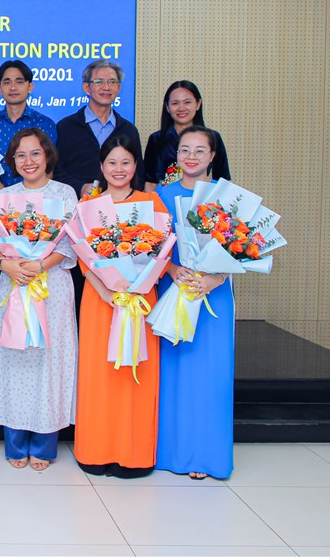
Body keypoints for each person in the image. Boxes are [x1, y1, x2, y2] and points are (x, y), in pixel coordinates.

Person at [73, 134, 166, 478]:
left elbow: (163, 252)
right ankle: (95, 450)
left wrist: (136, 286)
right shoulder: (90, 206)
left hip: (139, 300)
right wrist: (108, 292)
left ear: (135, 165)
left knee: (134, 374)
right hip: (101, 300)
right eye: (111, 162)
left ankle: (133, 454)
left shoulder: (151, 202)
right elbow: (84, 259)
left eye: (126, 162)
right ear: (101, 166)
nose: (118, 169)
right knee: (100, 374)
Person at [0, 128, 78, 471]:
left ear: (47, 155)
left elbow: (70, 244)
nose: (29, 161)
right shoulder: (5, 197)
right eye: (21, 155)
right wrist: (6, 263)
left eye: (35, 153)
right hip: (14, 284)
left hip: (51, 286)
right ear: (12, 160)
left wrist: (40, 264)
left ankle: (43, 443)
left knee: (48, 362)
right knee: (15, 359)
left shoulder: (64, 193)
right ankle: (15, 440)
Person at [156, 125, 235, 480]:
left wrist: (214, 279)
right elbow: (151, 247)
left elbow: (241, 249)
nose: (191, 157)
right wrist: (172, 269)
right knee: (174, 375)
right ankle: (170, 453)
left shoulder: (227, 196)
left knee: (208, 376)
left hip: (212, 295)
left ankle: (205, 456)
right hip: (173, 291)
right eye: (185, 149)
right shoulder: (160, 195)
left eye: (199, 150)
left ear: (212, 156)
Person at [54, 59, 143, 309]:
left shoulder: (128, 130)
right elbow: (56, 171)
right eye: (99, 81)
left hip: (119, 219)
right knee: (82, 281)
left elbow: (139, 174)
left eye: (112, 82)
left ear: (119, 88)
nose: (106, 87)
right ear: (86, 87)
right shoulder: (66, 127)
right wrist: (80, 187)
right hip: (79, 216)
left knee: (118, 280)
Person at [0, 60, 58, 192]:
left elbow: (49, 168)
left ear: (30, 87)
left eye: (19, 82)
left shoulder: (44, 124)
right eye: (7, 82)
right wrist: (4, 195)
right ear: (0, 88)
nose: (13, 87)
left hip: (37, 196)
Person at [144, 81, 231, 192]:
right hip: (164, 199)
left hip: (201, 199)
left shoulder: (213, 137)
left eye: (187, 102)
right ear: (167, 107)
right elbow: (150, 181)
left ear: (198, 104)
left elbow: (223, 180)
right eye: (175, 103)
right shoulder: (156, 139)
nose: (181, 108)